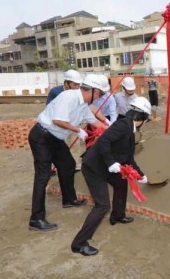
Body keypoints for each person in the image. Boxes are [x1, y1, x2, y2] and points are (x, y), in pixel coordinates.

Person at [71, 97, 151, 256]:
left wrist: (141, 176)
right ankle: (79, 244)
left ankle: (118, 215)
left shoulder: (129, 128)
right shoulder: (123, 125)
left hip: (106, 165)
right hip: (94, 167)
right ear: (141, 118)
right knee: (102, 205)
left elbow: (128, 158)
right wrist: (111, 162)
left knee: (121, 183)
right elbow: (103, 142)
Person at [28, 74, 108, 232]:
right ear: (92, 90)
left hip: (56, 138)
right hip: (42, 136)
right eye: (100, 94)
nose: (100, 97)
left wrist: (114, 130)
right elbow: (57, 120)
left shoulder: (83, 105)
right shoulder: (69, 97)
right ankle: (36, 219)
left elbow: (95, 122)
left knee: (68, 164)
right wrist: (77, 130)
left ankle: (69, 199)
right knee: (43, 176)